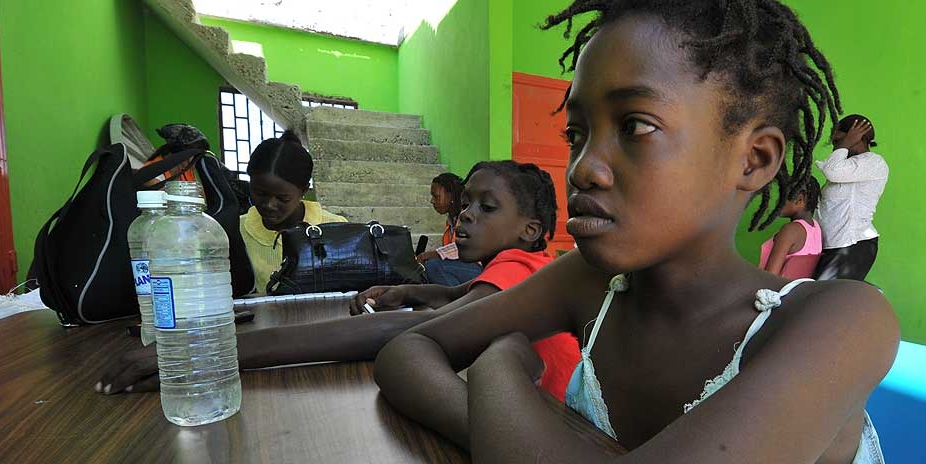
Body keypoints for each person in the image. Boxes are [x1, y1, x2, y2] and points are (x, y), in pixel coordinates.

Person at [373, 0, 899, 464]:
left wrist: (498, 367)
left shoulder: (844, 321)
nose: (581, 168)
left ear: (754, 158)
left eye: (636, 126)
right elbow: (409, 349)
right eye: (577, 133)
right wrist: (518, 450)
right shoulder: (594, 283)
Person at [94, 160, 580, 402]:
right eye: (466, 204)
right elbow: (456, 296)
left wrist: (212, 351)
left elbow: (411, 331)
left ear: (530, 230)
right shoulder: (521, 269)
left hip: (557, 432)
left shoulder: (518, 269)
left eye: (486, 208)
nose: (467, 216)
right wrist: (407, 290)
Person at [240, 131, 346, 295]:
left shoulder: (336, 229)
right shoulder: (236, 230)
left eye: (282, 198)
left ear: (303, 191)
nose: (269, 205)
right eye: (260, 194)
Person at [813, 115, 889, 281]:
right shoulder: (848, 166)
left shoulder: (874, 162)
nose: (836, 147)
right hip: (834, 246)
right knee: (821, 299)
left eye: (840, 140)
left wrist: (845, 143)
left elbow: (832, 171)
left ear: (857, 137)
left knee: (827, 301)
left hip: (851, 244)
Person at [416, 172, 483, 286]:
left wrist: (428, 255)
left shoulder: (469, 215)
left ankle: (457, 301)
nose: (432, 201)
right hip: (464, 267)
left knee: (434, 266)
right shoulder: (451, 221)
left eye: (436, 196)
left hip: (480, 268)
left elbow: (465, 246)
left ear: (450, 196)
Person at [759, 178, 823, 279]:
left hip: (774, 291)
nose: (777, 202)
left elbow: (770, 277)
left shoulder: (791, 230)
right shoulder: (816, 228)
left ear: (799, 200)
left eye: (782, 197)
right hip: (796, 291)